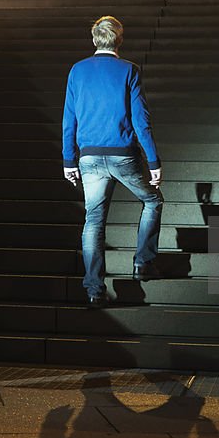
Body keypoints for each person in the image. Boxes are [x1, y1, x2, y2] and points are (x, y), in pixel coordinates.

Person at [62, 16, 163, 308]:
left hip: (89, 156)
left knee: (93, 220)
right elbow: (141, 121)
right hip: (123, 154)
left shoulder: (77, 71)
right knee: (153, 201)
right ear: (119, 40)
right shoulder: (128, 70)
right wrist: (154, 161)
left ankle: (94, 288)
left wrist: (69, 160)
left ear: (95, 39)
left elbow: (70, 119)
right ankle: (143, 263)